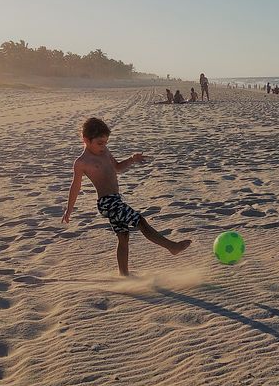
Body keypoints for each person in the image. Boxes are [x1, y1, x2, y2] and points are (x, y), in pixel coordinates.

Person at [62, 118, 191, 276]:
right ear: (86, 140)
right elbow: (75, 186)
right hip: (107, 203)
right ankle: (172, 247)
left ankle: (124, 275)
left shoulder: (105, 152)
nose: (103, 146)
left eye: (105, 142)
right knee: (140, 221)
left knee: (123, 237)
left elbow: (117, 168)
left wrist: (132, 160)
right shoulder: (82, 162)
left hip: (116, 200)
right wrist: (69, 210)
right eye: (99, 143)